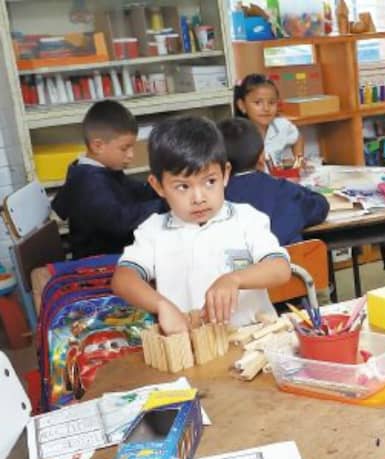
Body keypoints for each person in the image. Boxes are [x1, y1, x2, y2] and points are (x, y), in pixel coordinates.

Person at [112, 116, 291, 334]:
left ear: (225, 174)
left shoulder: (247, 219)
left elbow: (280, 269)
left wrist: (235, 279)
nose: (198, 198)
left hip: (254, 340)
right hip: (196, 349)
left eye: (210, 182)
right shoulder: (153, 231)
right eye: (182, 187)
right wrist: (161, 305)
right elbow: (123, 278)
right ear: (158, 186)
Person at [51, 100, 163, 259]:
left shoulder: (84, 170)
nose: (131, 155)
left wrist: (161, 189)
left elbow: (132, 190)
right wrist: (164, 204)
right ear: (98, 146)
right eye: (125, 148)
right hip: (99, 263)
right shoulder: (90, 182)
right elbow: (120, 222)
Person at [219, 117, 329, 245]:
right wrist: (301, 189)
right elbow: (320, 206)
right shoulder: (283, 190)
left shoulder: (214, 201)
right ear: (261, 158)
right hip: (289, 263)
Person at [234, 73, 305, 169]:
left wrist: (298, 161)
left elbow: (298, 138)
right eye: (258, 103)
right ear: (242, 105)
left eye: (271, 102)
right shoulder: (237, 134)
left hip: (277, 180)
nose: (266, 108)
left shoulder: (281, 125)